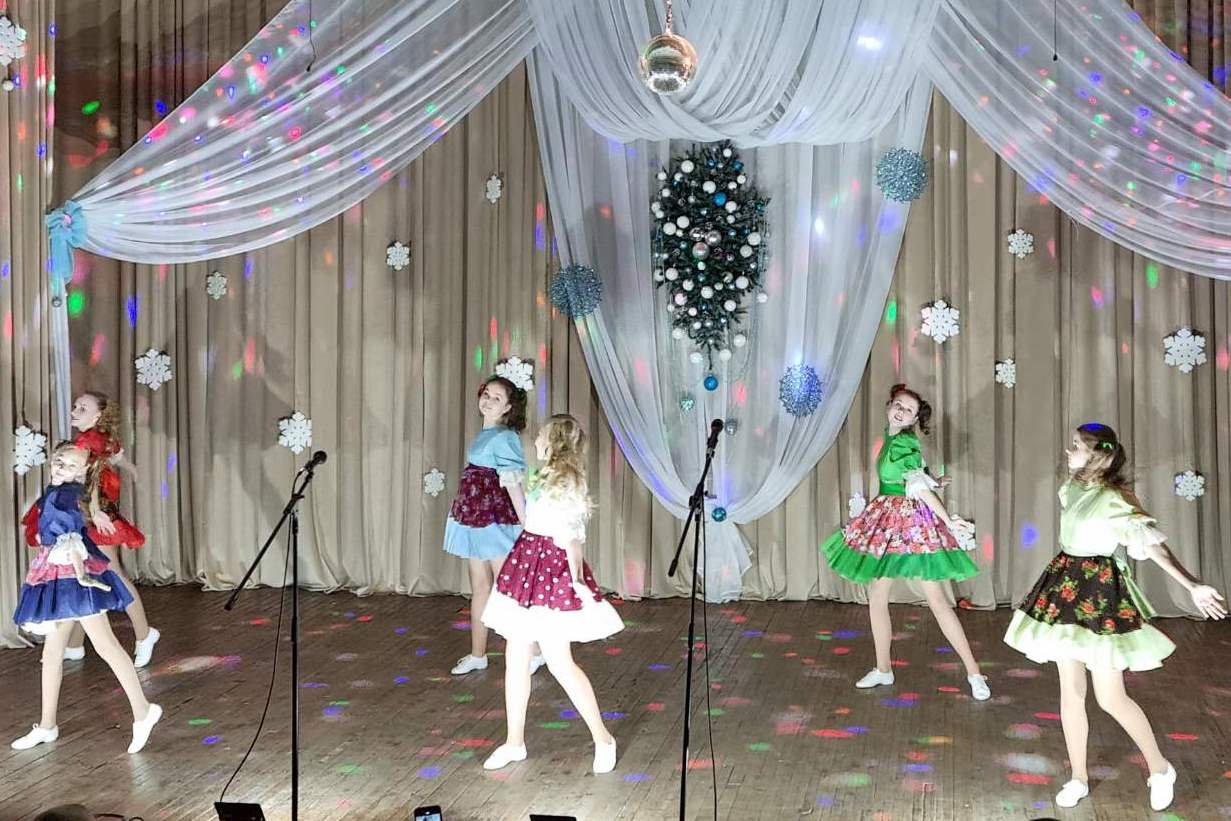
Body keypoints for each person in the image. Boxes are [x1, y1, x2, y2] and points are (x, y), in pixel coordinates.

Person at [1003, 423, 1226, 811]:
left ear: (1097, 454)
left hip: (1098, 594)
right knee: (1071, 691)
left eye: (1076, 446)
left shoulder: (1114, 498)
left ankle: (1160, 769)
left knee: (1110, 697)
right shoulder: (1071, 488)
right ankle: (1078, 778)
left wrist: (1191, 585)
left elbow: (1152, 547)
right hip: (1064, 585)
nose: (1068, 451)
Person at [821, 384, 990, 700]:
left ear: (914, 419)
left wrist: (946, 519)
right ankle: (883, 669)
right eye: (898, 405)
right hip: (888, 520)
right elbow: (914, 476)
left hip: (909, 524)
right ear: (889, 405)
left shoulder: (904, 442)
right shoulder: (893, 438)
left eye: (908, 410)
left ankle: (974, 673)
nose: (901, 411)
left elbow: (917, 487)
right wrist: (934, 480)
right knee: (877, 597)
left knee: (936, 600)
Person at [480, 414, 623, 773]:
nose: (536, 441)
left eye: (542, 436)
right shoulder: (541, 475)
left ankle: (603, 738)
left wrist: (575, 578)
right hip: (526, 563)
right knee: (515, 656)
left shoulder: (567, 480)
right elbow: (529, 519)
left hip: (550, 570)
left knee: (559, 660)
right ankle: (514, 742)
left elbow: (572, 534)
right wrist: (513, 488)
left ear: (555, 441)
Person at [11, 443, 163, 753]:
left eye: (70, 464)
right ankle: (47, 725)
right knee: (52, 654)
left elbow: (71, 541)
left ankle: (143, 711)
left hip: (72, 582)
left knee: (106, 645)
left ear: (82, 472)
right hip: (61, 579)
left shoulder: (65, 496)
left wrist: (81, 574)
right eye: (59, 460)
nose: (61, 466)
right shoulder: (59, 491)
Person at [443, 365, 544, 676]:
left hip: (494, 523)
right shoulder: (486, 434)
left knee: (507, 588)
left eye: (496, 398)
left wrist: (527, 523)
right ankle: (478, 654)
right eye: (486, 394)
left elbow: (512, 482)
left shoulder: (505, 437)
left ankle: (534, 651)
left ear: (509, 407)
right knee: (480, 586)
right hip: (475, 519)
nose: (487, 400)